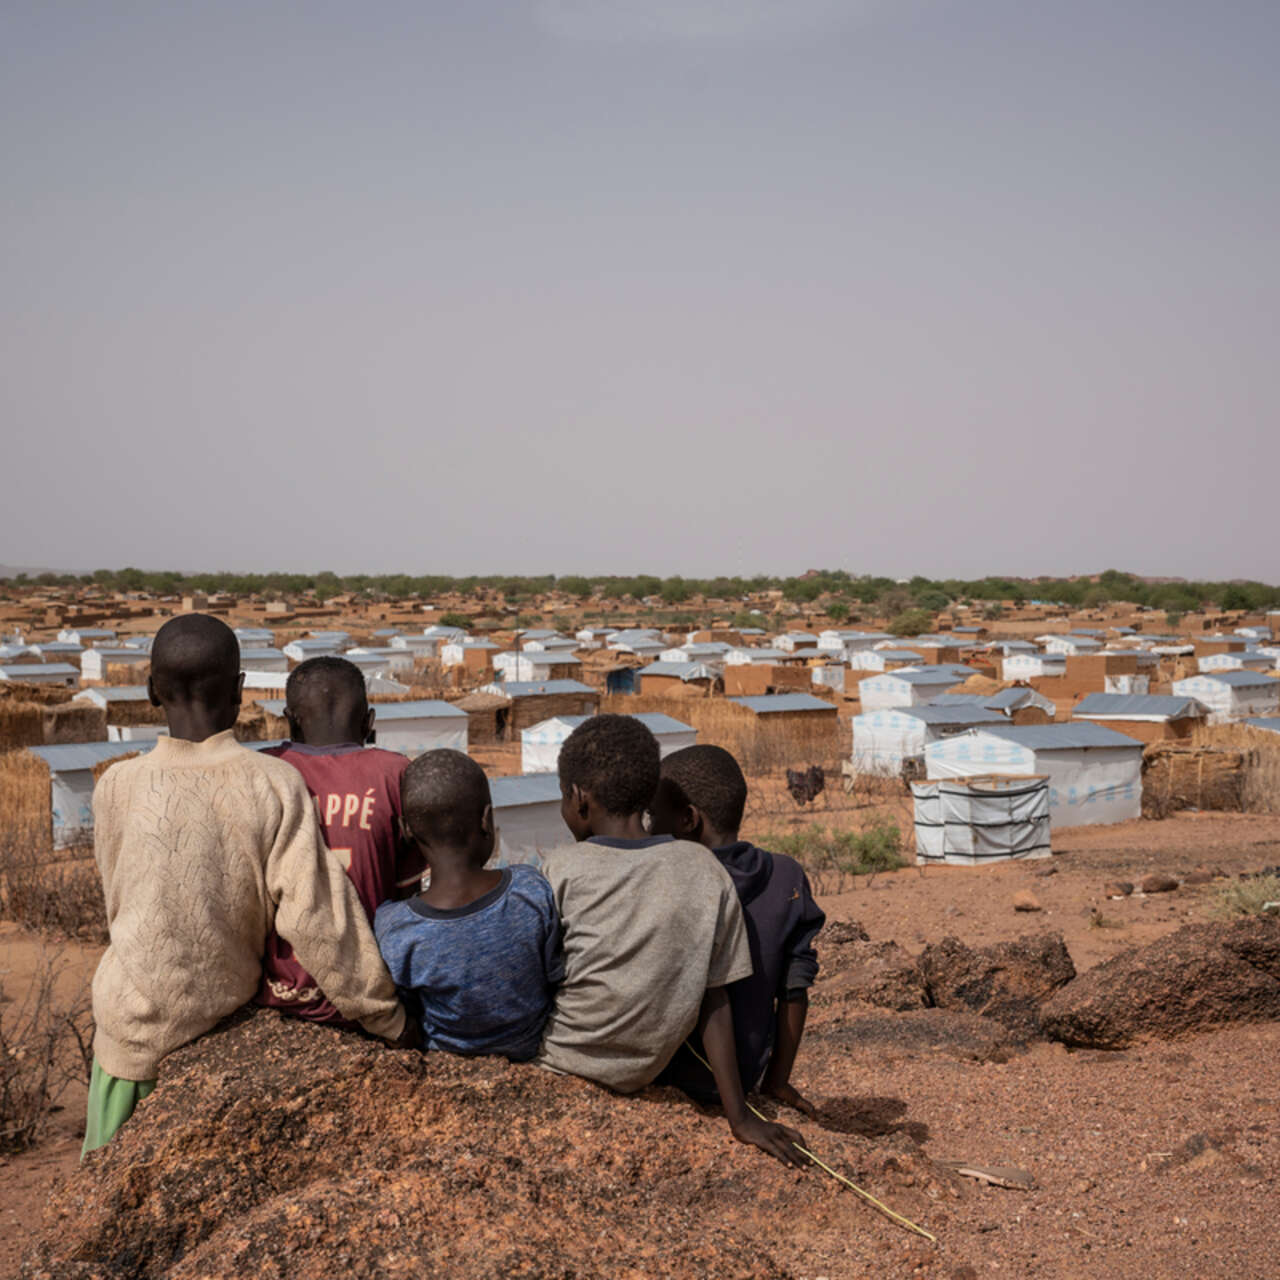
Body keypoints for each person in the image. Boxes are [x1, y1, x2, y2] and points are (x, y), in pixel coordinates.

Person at [84, 614, 411, 1156]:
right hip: (216, 1037)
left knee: (102, 1192)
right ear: (239, 692)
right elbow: (316, 918)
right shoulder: (271, 782)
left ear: (149, 691)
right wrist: (387, 1017)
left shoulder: (116, 784)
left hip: (124, 1044)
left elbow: (117, 900)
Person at [534, 715, 807, 1167]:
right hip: (644, 1073)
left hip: (559, 1062)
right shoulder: (703, 870)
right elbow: (714, 998)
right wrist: (739, 1116)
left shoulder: (558, 869)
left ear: (578, 798)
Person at [649, 745, 825, 1115]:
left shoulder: (668, 880)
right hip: (744, 1078)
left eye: (654, 815)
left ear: (687, 820)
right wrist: (775, 1080)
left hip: (664, 1079)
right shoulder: (785, 875)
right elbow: (795, 990)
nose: (649, 827)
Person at [256, 656, 425, 1026]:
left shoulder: (265, 771)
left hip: (281, 996)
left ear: (289, 718)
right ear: (369, 722)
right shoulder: (394, 774)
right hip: (369, 994)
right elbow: (407, 896)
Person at [374, 750, 563, 1060]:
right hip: (532, 1057)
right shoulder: (530, 890)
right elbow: (554, 976)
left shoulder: (395, 928)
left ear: (407, 830)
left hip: (445, 1065)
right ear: (486, 820)